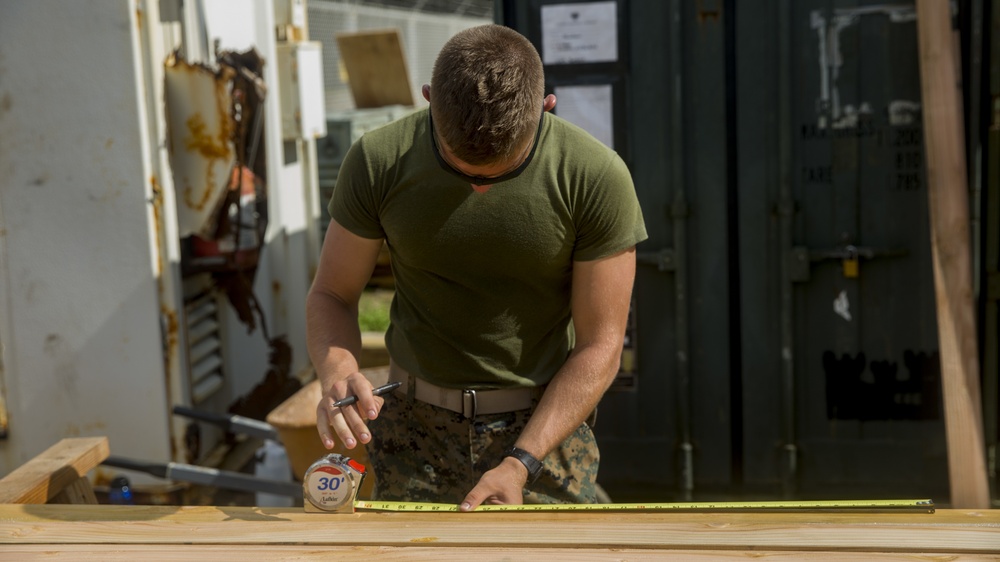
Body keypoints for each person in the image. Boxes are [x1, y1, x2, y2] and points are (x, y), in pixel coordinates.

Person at [306, 24, 646, 512]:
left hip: (543, 433)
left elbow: (601, 346)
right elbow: (332, 294)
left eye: (506, 167)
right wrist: (337, 370)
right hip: (413, 432)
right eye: (457, 164)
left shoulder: (594, 176)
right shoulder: (379, 161)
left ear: (546, 106)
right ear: (427, 100)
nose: (479, 187)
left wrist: (520, 462)